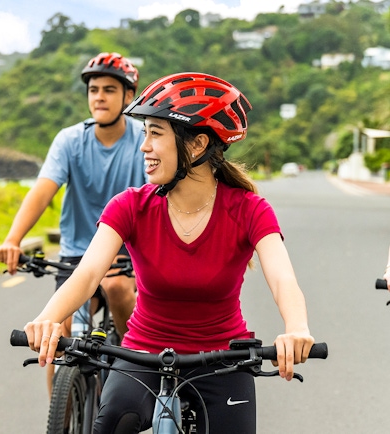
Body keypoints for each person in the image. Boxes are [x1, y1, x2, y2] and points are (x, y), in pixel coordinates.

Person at [23, 72, 315, 433]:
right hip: (143, 353)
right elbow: (86, 275)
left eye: (156, 133)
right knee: (113, 421)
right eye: (144, 133)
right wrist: (49, 318)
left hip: (224, 359)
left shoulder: (249, 209)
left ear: (196, 145)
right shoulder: (130, 206)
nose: (143, 146)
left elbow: (283, 279)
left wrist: (296, 328)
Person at [0, 52, 146, 396]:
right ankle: (60, 416)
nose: (99, 97)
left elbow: (159, 196)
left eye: (110, 89)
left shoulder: (142, 139)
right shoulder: (70, 140)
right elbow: (42, 191)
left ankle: (132, 367)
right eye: (93, 89)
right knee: (58, 333)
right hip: (77, 256)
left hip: (126, 258)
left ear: (128, 96)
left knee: (120, 291)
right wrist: (14, 239)